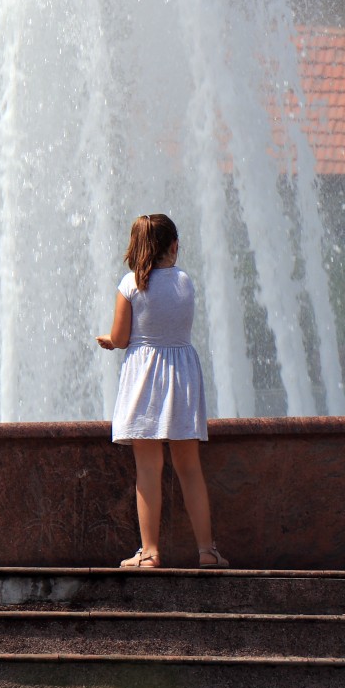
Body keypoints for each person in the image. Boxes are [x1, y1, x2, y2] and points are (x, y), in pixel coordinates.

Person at [94, 213, 223, 569]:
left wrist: (108, 341)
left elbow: (121, 338)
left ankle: (149, 553)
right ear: (174, 246)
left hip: (144, 380)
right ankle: (207, 551)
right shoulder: (185, 282)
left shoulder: (131, 285)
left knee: (148, 469)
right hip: (181, 376)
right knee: (190, 468)